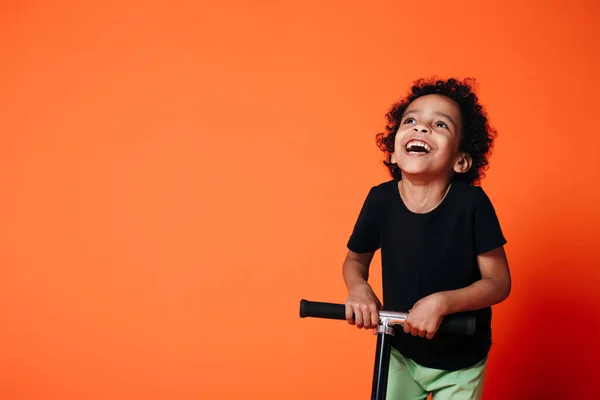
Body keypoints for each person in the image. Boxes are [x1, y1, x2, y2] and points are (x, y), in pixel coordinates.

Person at [343, 77, 511, 400]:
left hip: (460, 362)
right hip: (401, 354)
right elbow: (354, 260)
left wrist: (443, 303)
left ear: (461, 160)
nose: (421, 128)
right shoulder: (380, 201)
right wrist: (359, 288)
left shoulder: (473, 205)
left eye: (439, 125)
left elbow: (499, 282)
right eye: (411, 121)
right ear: (393, 152)